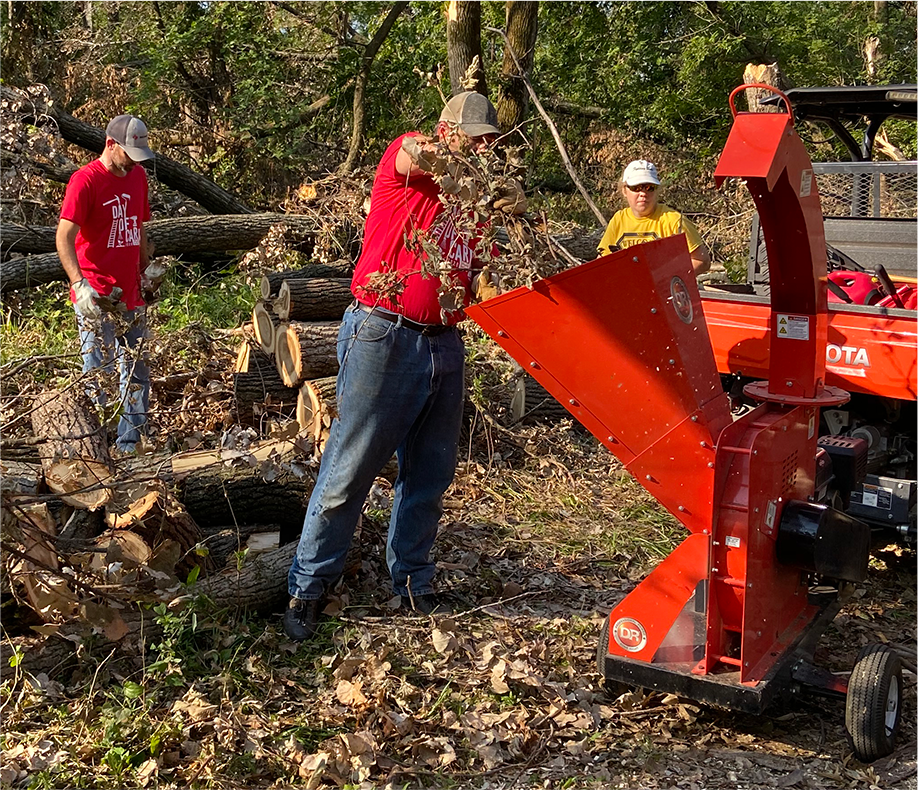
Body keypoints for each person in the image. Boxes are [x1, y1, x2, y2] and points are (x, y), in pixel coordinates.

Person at [284, 91, 526, 641]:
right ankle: (308, 587)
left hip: (444, 342)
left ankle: (414, 581)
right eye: (475, 139)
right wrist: (466, 168)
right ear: (447, 132)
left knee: (431, 472)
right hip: (383, 333)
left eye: (490, 143)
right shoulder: (409, 159)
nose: (483, 150)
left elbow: (479, 278)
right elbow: (415, 152)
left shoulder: (475, 207)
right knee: (350, 469)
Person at [56, 114, 155, 454]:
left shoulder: (137, 175)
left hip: (131, 289)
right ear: (111, 145)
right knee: (97, 370)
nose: (133, 162)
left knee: (138, 368)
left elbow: (139, 227)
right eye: (128, 153)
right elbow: (63, 237)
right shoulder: (85, 181)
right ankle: (93, 446)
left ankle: (131, 444)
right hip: (96, 291)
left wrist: (147, 271)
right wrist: (79, 284)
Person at [597, 159, 711, 275]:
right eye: (636, 187)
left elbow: (702, 260)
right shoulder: (618, 220)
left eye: (649, 187)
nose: (643, 193)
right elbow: (601, 262)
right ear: (624, 190)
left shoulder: (674, 221)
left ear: (656, 190)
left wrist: (666, 279)